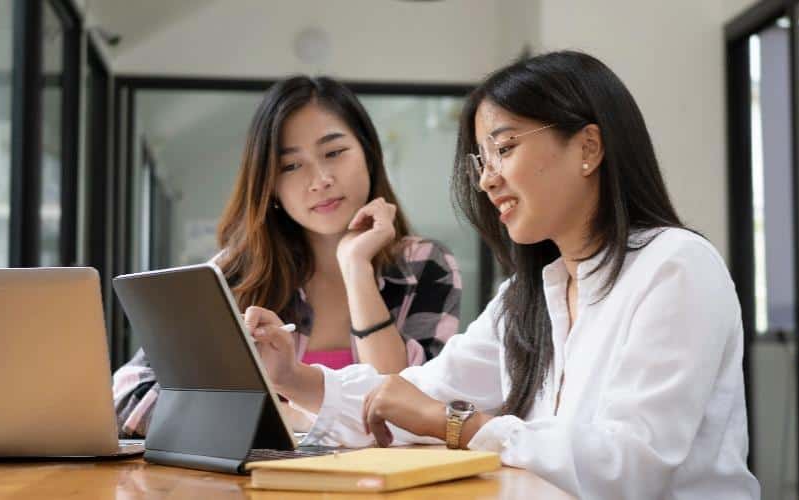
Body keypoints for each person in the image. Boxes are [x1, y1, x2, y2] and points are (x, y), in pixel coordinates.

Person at [243, 52, 760, 498]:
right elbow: (416, 395)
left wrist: (459, 426)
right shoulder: (529, 292)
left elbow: (628, 469)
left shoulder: (675, 267)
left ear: (588, 148)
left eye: (505, 149)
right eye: (481, 160)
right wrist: (292, 377)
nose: (488, 180)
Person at [112, 76, 462, 437]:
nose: (320, 179)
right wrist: (285, 420)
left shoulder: (426, 265)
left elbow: (415, 409)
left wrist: (355, 267)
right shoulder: (237, 273)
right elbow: (128, 395)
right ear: (270, 186)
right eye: (291, 166)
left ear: (369, 155)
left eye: (334, 152)